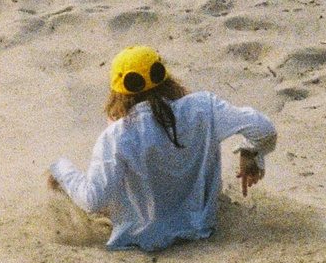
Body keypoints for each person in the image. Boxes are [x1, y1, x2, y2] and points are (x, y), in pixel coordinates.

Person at [46, 46, 277, 252]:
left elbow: (93, 200)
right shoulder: (204, 107)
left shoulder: (116, 136)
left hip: (141, 239)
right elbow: (264, 129)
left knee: (75, 180)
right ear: (165, 78)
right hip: (201, 226)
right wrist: (250, 151)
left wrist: (60, 169)